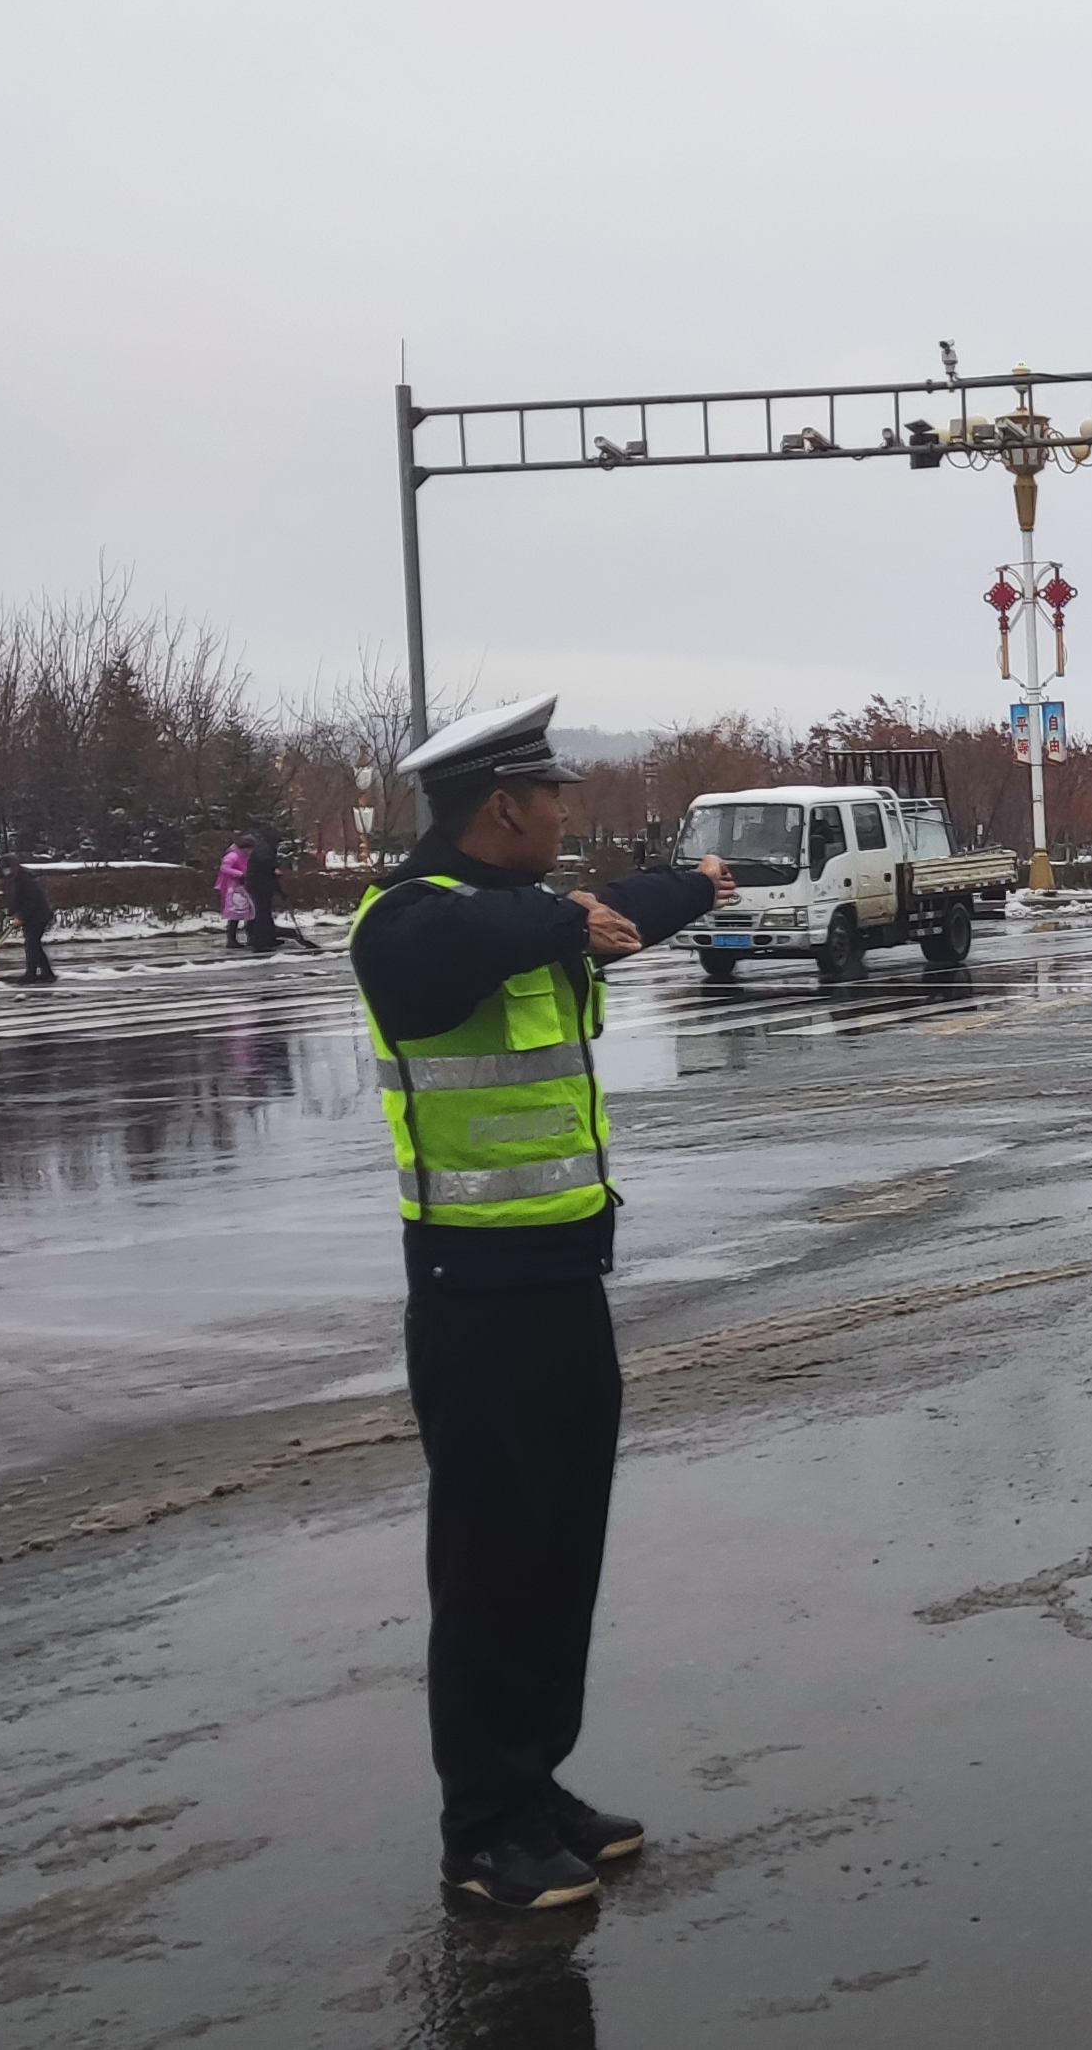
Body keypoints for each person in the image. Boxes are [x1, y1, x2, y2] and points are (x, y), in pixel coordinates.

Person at [349, 694, 731, 1912]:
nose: (569, 812)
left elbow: (635, 912)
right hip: (472, 1295)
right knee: (492, 1562)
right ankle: (483, 1826)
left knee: (561, 1547)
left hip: (564, 1275)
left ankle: (535, 1781)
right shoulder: (406, 922)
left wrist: (697, 883)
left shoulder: (534, 915)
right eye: (555, 796)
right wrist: (570, 913)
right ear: (504, 807)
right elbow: (459, 954)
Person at [1, 856, 56, 983]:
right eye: (4, 869)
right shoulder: (12, 881)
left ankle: (31, 974)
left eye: (8, 868)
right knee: (34, 944)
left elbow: (31, 902)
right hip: (30, 916)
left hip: (39, 915)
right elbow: (16, 900)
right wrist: (13, 914)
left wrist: (21, 916)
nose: (6, 871)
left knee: (31, 944)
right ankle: (47, 973)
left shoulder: (25, 881)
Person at [215, 835, 254, 949]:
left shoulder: (241, 855)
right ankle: (232, 939)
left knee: (245, 911)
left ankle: (244, 937)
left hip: (239, 887)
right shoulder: (233, 855)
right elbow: (224, 868)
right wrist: (240, 874)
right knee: (235, 912)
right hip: (232, 887)